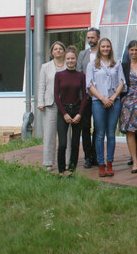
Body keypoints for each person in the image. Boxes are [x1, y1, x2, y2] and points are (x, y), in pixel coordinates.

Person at [86, 37, 125, 177]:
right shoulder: (92, 65)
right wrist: (102, 98)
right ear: (99, 48)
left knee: (111, 134)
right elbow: (89, 85)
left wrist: (113, 98)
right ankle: (101, 164)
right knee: (99, 134)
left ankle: (110, 163)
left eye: (108, 46)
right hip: (98, 102)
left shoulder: (117, 64)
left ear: (111, 48)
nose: (105, 49)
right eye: (103, 46)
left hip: (114, 102)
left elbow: (122, 82)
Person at [54, 46, 88, 176]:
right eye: (68, 58)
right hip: (64, 111)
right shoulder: (59, 75)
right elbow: (56, 97)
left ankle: (72, 169)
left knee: (75, 144)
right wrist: (64, 114)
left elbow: (84, 96)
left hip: (77, 111)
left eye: (72, 58)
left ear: (76, 59)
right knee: (62, 144)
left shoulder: (81, 76)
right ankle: (62, 170)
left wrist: (80, 113)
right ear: (65, 59)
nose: (70, 61)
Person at [119, 41, 137, 173]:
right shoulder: (123, 66)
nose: (134, 52)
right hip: (128, 101)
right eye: (132, 50)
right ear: (128, 51)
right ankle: (134, 161)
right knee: (130, 131)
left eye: (136, 50)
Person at [37, 41, 66, 171]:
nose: (58, 51)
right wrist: (40, 102)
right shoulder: (45, 67)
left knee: (66, 135)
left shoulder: (69, 65)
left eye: (60, 49)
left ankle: (66, 161)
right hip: (51, 104)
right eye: (56, 49)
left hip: (66, 104)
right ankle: (48, 162)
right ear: (51, 52)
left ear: (64, 51)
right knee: (49, 134)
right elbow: (41, 85)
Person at [78, 28, 100, 168]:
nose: (90, 40)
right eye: (88, 37)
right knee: (85, 128)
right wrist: (87, 91)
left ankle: (96, 155)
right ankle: (87, 156)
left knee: (98, 127)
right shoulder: (82, 54)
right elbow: (80, 74)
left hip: (99, 96)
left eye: (92, 37)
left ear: (98, 37)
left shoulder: (103, 53)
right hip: (86, 96)